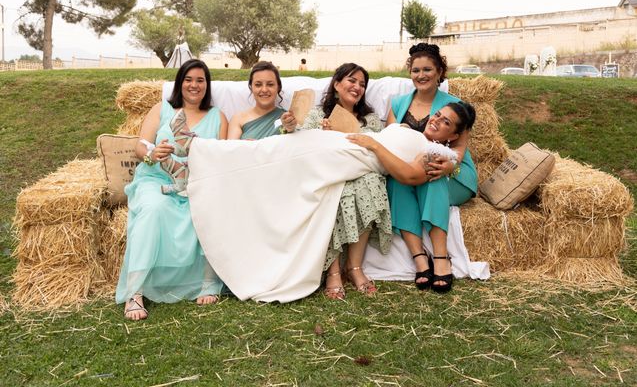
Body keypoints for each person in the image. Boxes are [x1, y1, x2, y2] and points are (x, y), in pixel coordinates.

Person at [184, 104, 470, 303]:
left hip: (360, 156)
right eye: (438, 114)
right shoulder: (408, 128)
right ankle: (200, 152)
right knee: (277, 147)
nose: (436, 120)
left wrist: (374, 146)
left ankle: (202, 157)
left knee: (284, 158)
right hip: (346, 142)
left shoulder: (433, 153)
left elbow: (408, 176)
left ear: (454, 135)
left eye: (446, 123)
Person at [116, 59, 228, 320]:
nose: (194, 85)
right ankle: (135, 292)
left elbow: (223, 154)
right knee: (153, 209)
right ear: (180, 82)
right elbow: (139, 146)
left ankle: (208, 282)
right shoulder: (162, 109)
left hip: (197, 183)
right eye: (189, 79)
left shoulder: (218, 117)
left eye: (200, 80)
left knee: (210, 210)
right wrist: (153, 153)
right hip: (155, 180)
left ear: (207, 85)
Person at [386, 43, 478, 293]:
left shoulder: (455, 104)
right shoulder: (398, 104)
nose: (421, 75)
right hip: (412, 170)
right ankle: (419, 258)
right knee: (396, 179)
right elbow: (391, 139)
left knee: (433, 173)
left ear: (439, 72)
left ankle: (440, 258)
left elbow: (459, 148)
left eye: (428, 69)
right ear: (410, 72)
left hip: (453, 173)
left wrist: (450, 166)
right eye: (416, 70)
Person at [300, 63, 389, 300]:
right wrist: (322, 136)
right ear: (337, 84)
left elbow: (377, 151)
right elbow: (301, 145)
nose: (357, 87)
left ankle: (354, 267)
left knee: (371, 184)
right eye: (352, 80)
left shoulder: (369, 119)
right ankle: (333, 271)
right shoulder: (318, 115)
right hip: (327, 174)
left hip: (360, 172)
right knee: (334, 192)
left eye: (362, 84)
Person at [228, 61, 297, 140]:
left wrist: (290, 129)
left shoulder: (288, 118)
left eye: (270, 84)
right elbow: (231, 149)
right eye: (258, 85)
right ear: (251, 87)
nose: (264, 90)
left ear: (278, 87)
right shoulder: (238, 119)